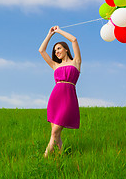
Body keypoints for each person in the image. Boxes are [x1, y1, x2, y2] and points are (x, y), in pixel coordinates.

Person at [38, 26, 82, 157]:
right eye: (55, 50)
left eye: (59, 48)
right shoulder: (55, 65)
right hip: (55, 98)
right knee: (55, 133)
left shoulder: (76, 62)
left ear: (66, 49)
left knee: (54, 132)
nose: (56, 52)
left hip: (68, 99)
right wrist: (49, 34)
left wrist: (58, 31)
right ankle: (62, 157)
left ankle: (44, 158)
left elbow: (74, 39)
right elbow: (41, 50)